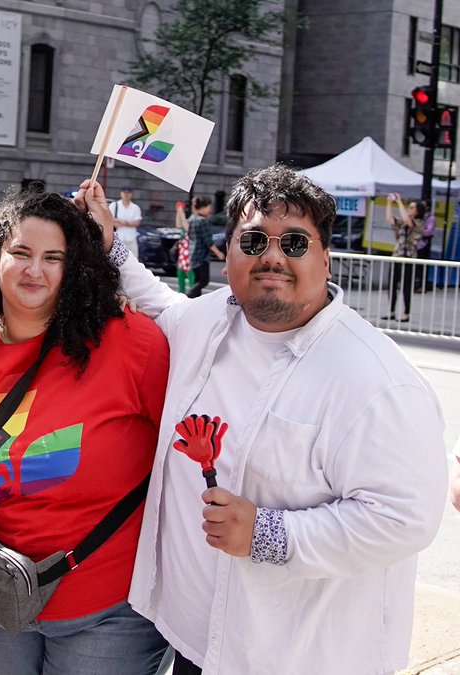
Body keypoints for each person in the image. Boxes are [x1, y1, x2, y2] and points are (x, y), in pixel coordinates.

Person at [81, 164, 446, 675]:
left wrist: (270, 535)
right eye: (253, 241)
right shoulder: (212, 319)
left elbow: (404, 517)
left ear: (326, 257)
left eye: (294, 242)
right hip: (193, 641)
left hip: (297, 656)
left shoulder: (379, 379)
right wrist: (108, 241)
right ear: (228, 252)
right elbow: (159, 304)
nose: (272, 256)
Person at [0, 189, 170, 675]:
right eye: (20, 252)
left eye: (53, 257)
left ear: (75, 266)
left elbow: (183, 450)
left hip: (112, 604)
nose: (34, 270)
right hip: (2, 594)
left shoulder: (131, 342)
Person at [383, 192, 423, 322]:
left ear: (418, 211)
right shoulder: (402, 222)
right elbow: (390, 219)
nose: (408, 209)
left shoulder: (418, 223)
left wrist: (399, 201)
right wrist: (389, 203)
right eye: (409, 207)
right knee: (392, 285)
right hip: (397, 256)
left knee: (406, 286)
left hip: (409, 258)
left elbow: (407, 220)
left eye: (412, 207)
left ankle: (406, 313)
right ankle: (391, 311)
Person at [185, 196, 223, 298]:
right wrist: (219, 253)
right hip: (202, 256)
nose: (209, 210)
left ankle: (195, 301)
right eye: (208, 207)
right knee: (204, 281)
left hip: (193, 253)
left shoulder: (192, 219)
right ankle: (188, 295)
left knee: (197, 280)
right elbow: (208, 241)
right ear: (203, 207)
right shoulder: (202, 221)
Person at [110, 186, 143, 258]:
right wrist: (117, 220)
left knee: (133, 258)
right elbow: (108, 219)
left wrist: (124, 222)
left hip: (131, 237)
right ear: (121, 193)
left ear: (131, 194)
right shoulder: (114, 205)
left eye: (128, 193)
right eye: (124, 192)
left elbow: (137, 222)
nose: (126, 194)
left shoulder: (135, 207)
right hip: (117, 238)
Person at [174, 201, 193, 294]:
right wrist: (179, 211)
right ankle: (182, 293)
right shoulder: (185, 220)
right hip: (183, 252)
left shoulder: (194, 220)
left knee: (190, 275)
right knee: (180, 273)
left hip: (190, 252)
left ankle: (194, 294)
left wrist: (181, 213)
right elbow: (178, 225)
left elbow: (187, 228)